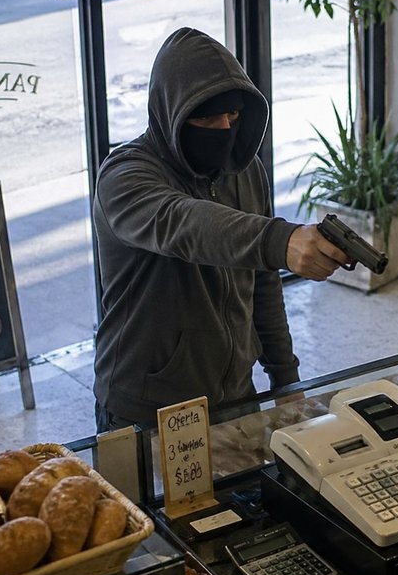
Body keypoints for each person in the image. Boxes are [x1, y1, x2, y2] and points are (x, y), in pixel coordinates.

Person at [92, 28, 348, 432]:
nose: (223, 128)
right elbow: (184, 223)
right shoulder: (124, 178)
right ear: (170, 110)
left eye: (232, 116)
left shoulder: (245, 170)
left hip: (237, 397)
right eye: (206, 116)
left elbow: (262, 285)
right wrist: (278, 239)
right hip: (147, 410)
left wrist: (285, 376)